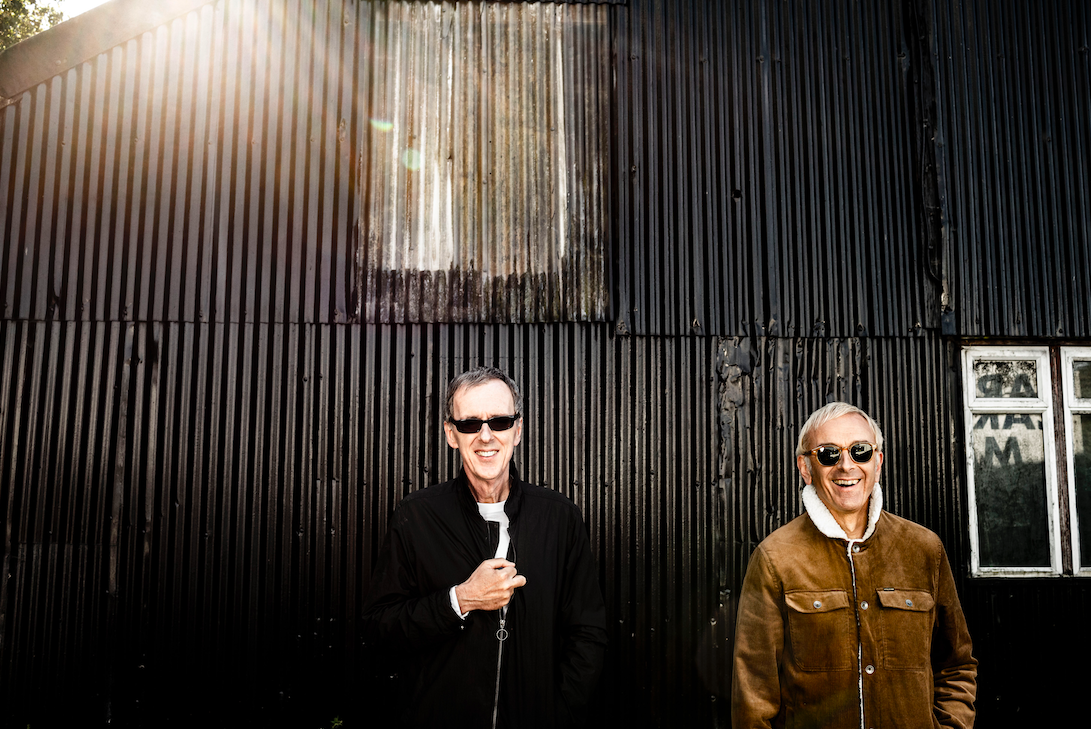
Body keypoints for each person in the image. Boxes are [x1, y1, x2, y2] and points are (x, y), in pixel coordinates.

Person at [362, 366, 607, 729]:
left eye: (500, 421)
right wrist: (460, 600)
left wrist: (561, 713)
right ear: (451, 434)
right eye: (470, 424)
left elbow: (587, 632)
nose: (486, 436)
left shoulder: (559, 517)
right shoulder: (417, 515)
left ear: (517, 430)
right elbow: (380, 627)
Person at [731, 402, 977, 729]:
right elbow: (753, 693)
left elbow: (956, 665)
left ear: (877, 462)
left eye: (860, 451)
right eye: (828, 453)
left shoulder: (924, 549)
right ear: (805, 468)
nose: (846, 465)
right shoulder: (775, 558)